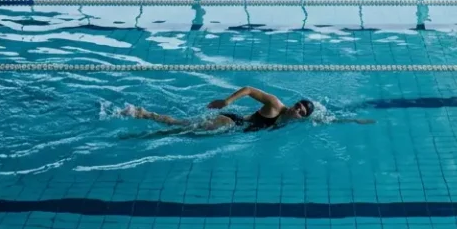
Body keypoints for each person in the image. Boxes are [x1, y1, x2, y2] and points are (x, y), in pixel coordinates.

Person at [123, 86, 372, 132]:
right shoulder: (276, 105)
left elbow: (326, 120)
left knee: (184, 129)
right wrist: (227, 102)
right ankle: (143, 114)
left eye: (300, 111)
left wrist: (353, 121)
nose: (296, 110)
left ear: (302, 117)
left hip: (233, 130)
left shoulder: (295, 121)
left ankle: (144, 116)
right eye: (297, 105)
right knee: (182, 127)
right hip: (230, 122)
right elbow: (250, 90)